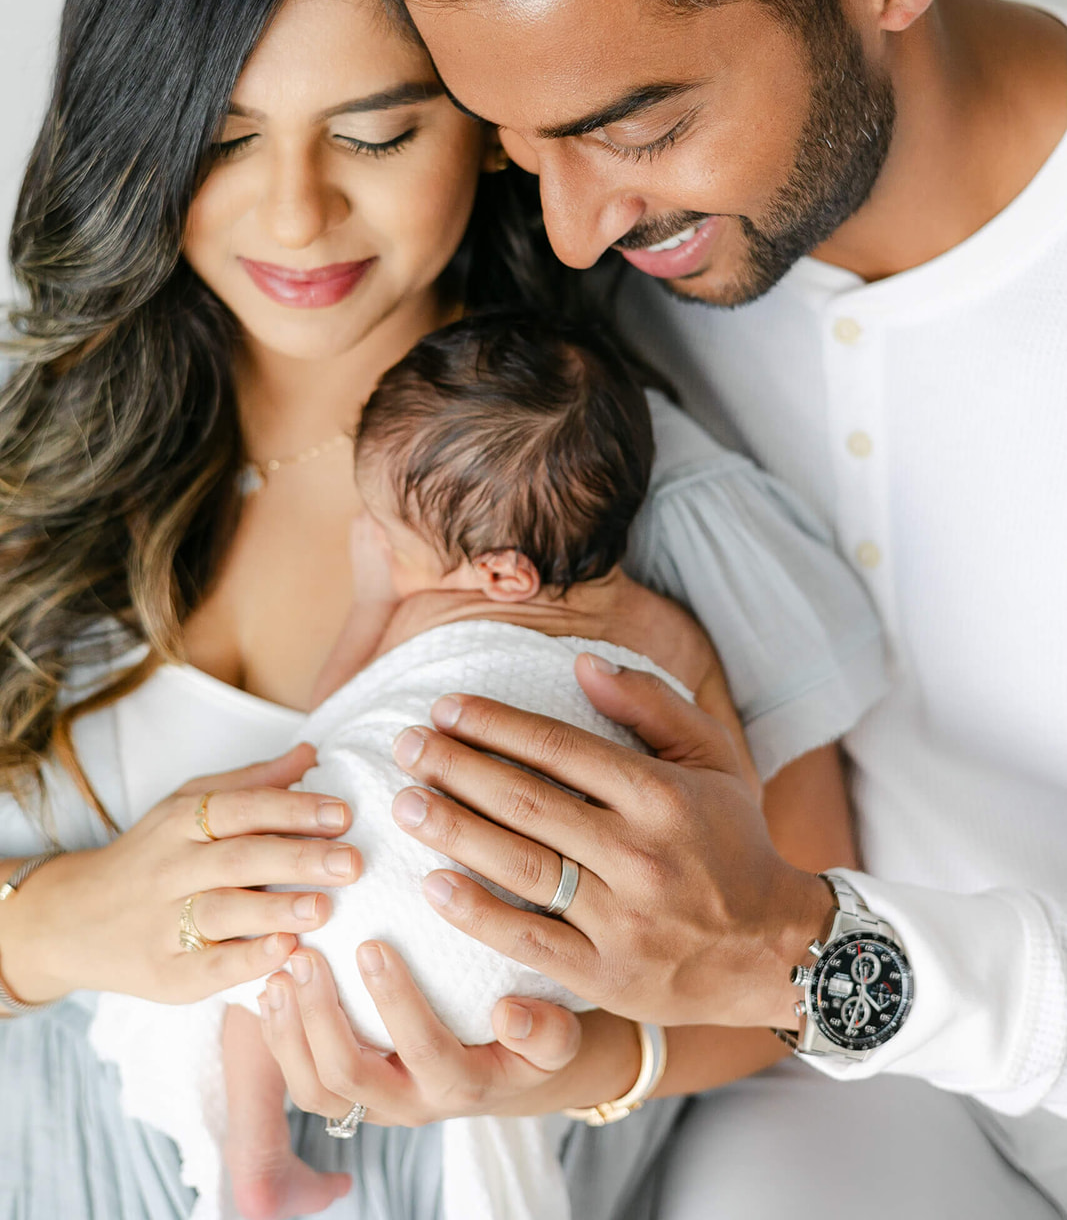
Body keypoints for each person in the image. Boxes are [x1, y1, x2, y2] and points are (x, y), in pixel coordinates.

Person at [0, 0, 882, 1220]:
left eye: (373, 131)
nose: (293, 214)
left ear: (483, 123)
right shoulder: (54, 459)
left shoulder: (624, 510)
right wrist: (53, 928)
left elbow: (788, 974)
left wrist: (566, 1060)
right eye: (219, 142)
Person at [317, 0, 1067, 1213]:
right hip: (847, 1118)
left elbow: (776, 946)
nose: (575, 235)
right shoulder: (614, 313)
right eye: (522, 147)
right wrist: (564, 1047)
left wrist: (800, 949)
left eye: (633, 127)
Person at [94, 308, 783, 1220]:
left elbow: (332, 720)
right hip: (548, 969)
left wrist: (377, 598)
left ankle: (257, 1161)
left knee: (246, 960)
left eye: (388, 532)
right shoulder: (668, 635)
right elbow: (722, 798)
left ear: (500, 577)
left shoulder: (420, 615)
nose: (375, 544)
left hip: (354, 903)